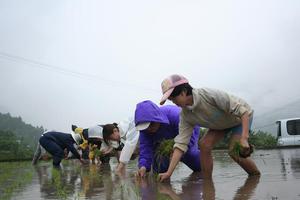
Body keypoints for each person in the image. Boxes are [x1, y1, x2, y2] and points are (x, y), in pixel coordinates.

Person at [158, 74, 260, 181]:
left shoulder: (208, 95)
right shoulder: (185, 116)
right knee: (204, 145)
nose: (173, 102)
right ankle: (207, 183)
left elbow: (243, 112)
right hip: (220, 124)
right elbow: (181, 144)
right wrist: (169, 173)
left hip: (239, 118)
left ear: (183, 92)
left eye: (173, 98)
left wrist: (244, 138)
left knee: (234, 151)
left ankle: (255, 176)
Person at [134, 100, 201, 177]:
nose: (149, 129)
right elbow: (145, 149)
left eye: (151, 125)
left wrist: (175, 151)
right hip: (163, 141)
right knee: (159, 162)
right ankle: (163, 184)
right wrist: (143, 167)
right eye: (146, 127)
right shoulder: (145, 131)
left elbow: (188, 139)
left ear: (156, 119)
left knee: (190, 154)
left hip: (188, 129)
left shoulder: (175, 115)